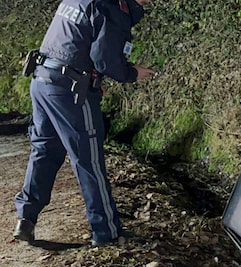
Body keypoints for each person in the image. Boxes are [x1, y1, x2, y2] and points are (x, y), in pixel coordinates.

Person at [13, 0, 155, 247]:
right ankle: (107, 233)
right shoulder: (111, 8)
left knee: (44, 151)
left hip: (43, 80)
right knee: (89, 161)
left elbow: (74, 44)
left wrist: (95, 79)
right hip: (71, 92)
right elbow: (105, 59)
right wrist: (131, 73)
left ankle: (26, 219)